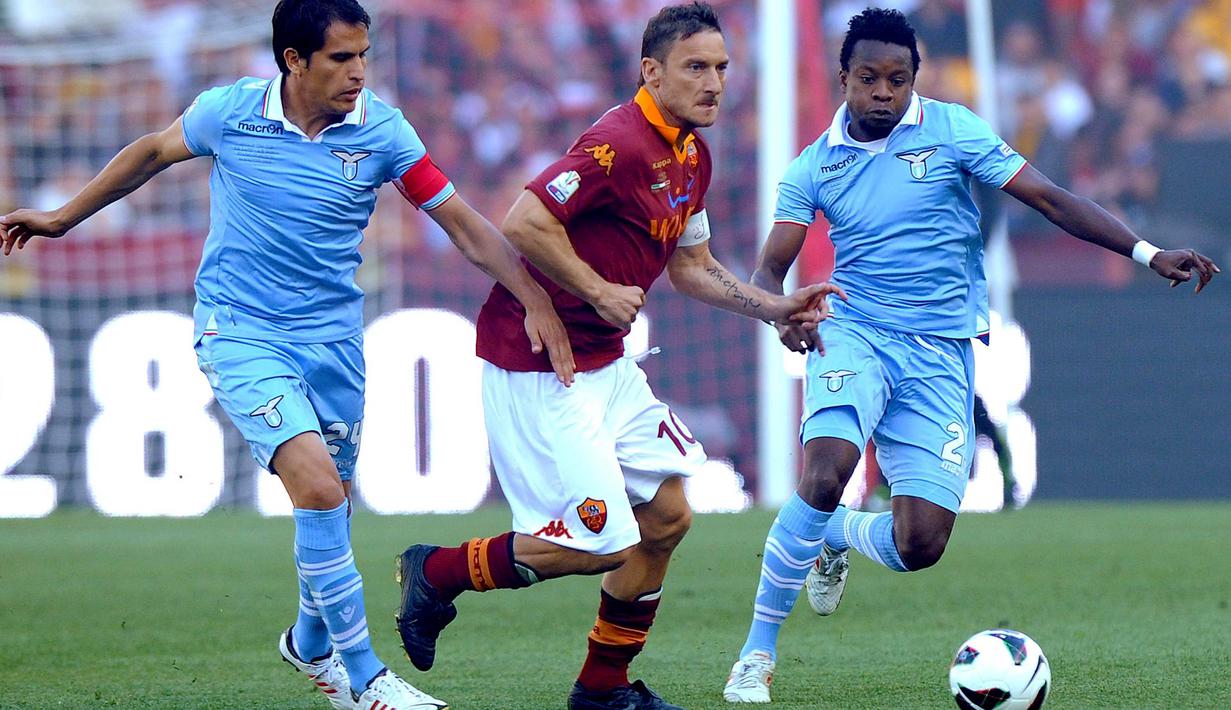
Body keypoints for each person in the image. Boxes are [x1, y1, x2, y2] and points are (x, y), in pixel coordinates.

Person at [1, 1, 576, 708]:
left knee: (329, 505)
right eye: (341, 58)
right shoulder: (230, 112)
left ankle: (306, 644)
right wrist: (61, 218)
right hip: (240, 330)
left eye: (363, 55)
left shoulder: (384, 132)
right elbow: (152, 150)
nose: (358, 72)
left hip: (332, 343)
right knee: (317, 487)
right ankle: (363, 677)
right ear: (293, 61)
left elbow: (459, 221)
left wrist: (533, 297)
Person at [722, 8, 1219, 704]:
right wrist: (778, 314)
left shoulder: (953, 131)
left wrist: (1145, 251)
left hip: (939, 351)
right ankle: (755, 657)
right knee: (828, 466)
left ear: (913, 80)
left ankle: (830, 533)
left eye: (897, 79)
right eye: (868, 78)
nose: (882, 93)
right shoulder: (813, 167)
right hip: (854, 334)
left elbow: (1047, 198)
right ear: (844, 79)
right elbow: (769, 269)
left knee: (919, 542)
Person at [390, 4, 842, 709]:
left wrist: (774, 308)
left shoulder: (691, 154)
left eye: (722, 67)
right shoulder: (617, 144)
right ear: (650, 71)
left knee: (666, 518)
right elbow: (524, 220)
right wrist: (597, 289)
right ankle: (438, 572)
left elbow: (693, 267)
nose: (714, 82)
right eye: (696, 67)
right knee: (601, 542)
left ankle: (602, 690)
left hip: (607, 366)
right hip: (543, 364)